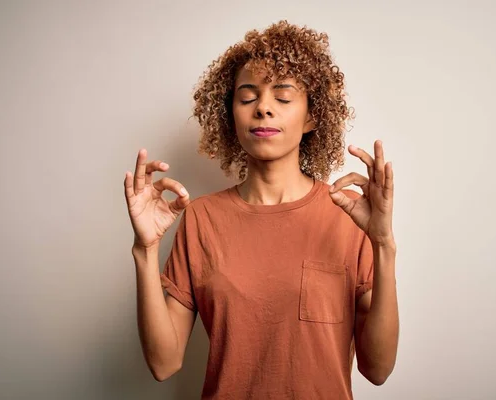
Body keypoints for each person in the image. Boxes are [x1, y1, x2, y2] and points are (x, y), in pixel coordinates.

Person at [124, 20, 399, 400]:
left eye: (283, 98)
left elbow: (378, 369)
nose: (264, 109)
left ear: (312, 117)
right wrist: (145, 250)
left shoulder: (348, 215)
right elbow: (163, 363)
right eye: (247, 96)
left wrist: (383, 244)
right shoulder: (202, 219)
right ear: (230, 114)